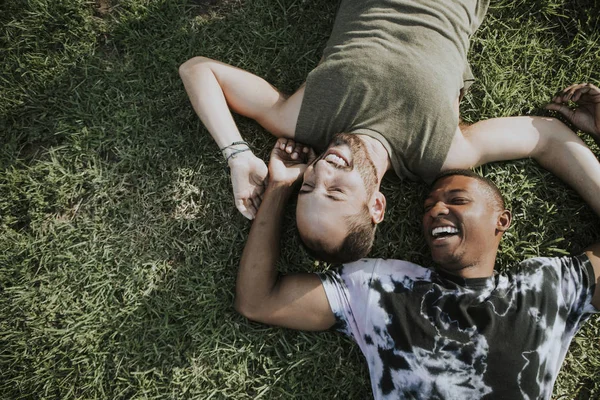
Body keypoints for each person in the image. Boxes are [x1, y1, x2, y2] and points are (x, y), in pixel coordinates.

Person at [179, 0, 600, 263]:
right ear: (377, 206)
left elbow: (198, 70)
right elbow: (546, 137)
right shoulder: (441, 152)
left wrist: (238, 156)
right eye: (336, 191)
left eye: (307, 189)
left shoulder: (302, 119)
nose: (321, 172)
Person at [234, 133, 600, 399]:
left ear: (501, 221)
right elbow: (259, 300)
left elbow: (545, 137)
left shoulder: (547, 288)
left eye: (457, 200)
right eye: (427, 207)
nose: (436, 211)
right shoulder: (380, 287)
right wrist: (280, 187)